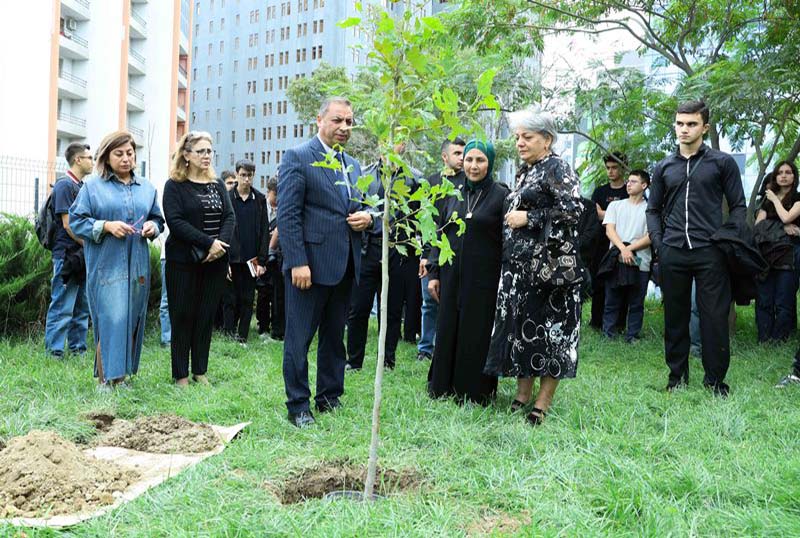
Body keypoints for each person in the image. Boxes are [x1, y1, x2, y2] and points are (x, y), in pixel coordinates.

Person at [484, 108, 585, 426]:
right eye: (517, 137)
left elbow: (573, 211)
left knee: (551, 335)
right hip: (519, 271)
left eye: (527, 137)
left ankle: (542, 402)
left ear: (547, 139)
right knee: (522, 333)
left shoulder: (558, 168)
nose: (520, 143)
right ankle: (522, 395)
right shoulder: (526, 171)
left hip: (550, 272)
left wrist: (530, 217)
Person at [278, 97, 373, 427]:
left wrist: (368, 217)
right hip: (309, 268)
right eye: (337, 120)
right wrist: (297, 261)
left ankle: (330, 397)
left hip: (345, 266)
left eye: (349, 121)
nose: (344, 127)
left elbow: (358, 207)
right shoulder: (299, 157)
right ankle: (299, 406)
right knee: (299, 339)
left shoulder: (354, 166)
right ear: (319, 120)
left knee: (335, 337)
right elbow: (287, 214)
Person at [646, 100, 746, 396]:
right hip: (673, 251)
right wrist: (660, 244)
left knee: (714, 319)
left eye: (691, 124)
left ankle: (715, 381)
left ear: (705, 127)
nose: (684, 129)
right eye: (680, 123)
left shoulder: (722, 162)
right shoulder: (664, 166)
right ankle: (677, 378)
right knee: (674, 318)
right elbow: (653, 210)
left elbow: (738, 206)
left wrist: (725, 238)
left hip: (709, 251)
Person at [69, 131, 164, 389]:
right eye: (118, 154)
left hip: (138, 266)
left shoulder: (147, 188)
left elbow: (158, 220)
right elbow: (77, 222)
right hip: (106, 264)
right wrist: (106, 226)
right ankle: (105, 380)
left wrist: (152, 228)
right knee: (112, 318)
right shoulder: (92, 187)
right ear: (106, 157)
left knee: (132, 317)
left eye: (130, 153)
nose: (125, 159)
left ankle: (120, 377)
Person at [426, 140, 507, 404]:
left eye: (480, 160)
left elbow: (507, 242)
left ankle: (474, 392)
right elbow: (440, 233)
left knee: (476, 332)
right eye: (469, 159)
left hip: (483, 280)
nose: (473, 166)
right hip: (450, 276)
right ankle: (441, 386)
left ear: (490, 163)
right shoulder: (453, 192)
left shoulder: (501, 195)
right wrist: (434, 272)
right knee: (447, 326)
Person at [163, 131, 235, 386]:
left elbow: (229, 216)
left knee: (205, 316)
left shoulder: (216, 184)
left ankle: (200, 371)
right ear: (186, 155)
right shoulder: (174, 185)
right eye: (201, 151)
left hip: (215, 261)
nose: (207, 156)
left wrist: (220, 247)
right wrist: (208, 243)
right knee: (182, 316)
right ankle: (181, 374)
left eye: (209, 151)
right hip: (183, 261)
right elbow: (176, 222)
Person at [346, 143, 420, 371]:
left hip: (397, 252)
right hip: (367, 250)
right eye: (385, 141)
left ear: (403, 145)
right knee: (358, 308)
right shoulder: (363, 175)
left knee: (391, 311)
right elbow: (355, 207)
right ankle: (354, 361)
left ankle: (387, 361)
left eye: (396, 141)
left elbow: (413, 218)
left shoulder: (414, 179)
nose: (389, 146)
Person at [417, 137, 465, 361]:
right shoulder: (432, 183)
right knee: (429, 301)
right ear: (444, 156)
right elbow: (426, 224)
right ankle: (425, 348)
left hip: (458, 253)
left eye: (463, 153)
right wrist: (425, 256)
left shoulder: (468, 182)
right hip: (433, 252)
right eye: (457, 153)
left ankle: (448, 347)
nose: (462, 158)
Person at [44, 142, 93, 359]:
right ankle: (54, 351)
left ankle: (78, 349)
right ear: (78, 160)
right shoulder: (65, 186)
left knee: (82, 306)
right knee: (63, 304)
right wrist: (89, 244)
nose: (92, 161)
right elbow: (68, 225)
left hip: (81, 256)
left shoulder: (82, 187)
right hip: (66, 255)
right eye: (89, 157)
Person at [601, 169, 652, 342]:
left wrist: (630, 249)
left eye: (633, 181)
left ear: (644, 185)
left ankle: (632, 335)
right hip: (616, 258)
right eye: (628, 181)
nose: (628, 184)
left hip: (641, 261)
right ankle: (608, 333)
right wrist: (623, 248)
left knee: (636, 302)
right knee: (612, 298)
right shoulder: (615, 205)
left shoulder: (650, 211)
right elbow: (609, 229)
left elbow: (651, 236)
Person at [224, 159, 269, 345]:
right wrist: (223, 260)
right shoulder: (227, 197)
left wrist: (263, 261)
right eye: (243, 175)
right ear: (236, 175)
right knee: (230, 298)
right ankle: (228, 334)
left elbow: (265, 230)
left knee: (247, 298)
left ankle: (242, 336)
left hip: (252, 258)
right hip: (231, 257)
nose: (246, 179)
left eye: (250, 175)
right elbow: (222, 228)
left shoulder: (259, 199)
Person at [754, 161, 800, 342]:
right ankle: (764, 338)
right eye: (780, 172)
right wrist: (784, 226)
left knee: (784, 299)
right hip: (766, 254)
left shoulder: (797, 198)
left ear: (794, 176)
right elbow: (758, 227)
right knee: (764, 298)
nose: (783, 176)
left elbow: (787, 216)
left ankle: (780, 339)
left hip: (790, 254)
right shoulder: (766, 201)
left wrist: (774, 199)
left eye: (788, 172)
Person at [589, 151, 629, 330]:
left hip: (624, 242)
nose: (611, 171)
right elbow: (594, 214)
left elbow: (633, 215)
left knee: (622, 283)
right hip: (601, 243)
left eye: (614, 167)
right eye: (608, 168)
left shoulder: (629, 190)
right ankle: (596, 321)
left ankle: (619, 324)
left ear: (622, 167)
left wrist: (607, 215)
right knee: (599, 283)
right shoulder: (600, 191)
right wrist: (617, 215)